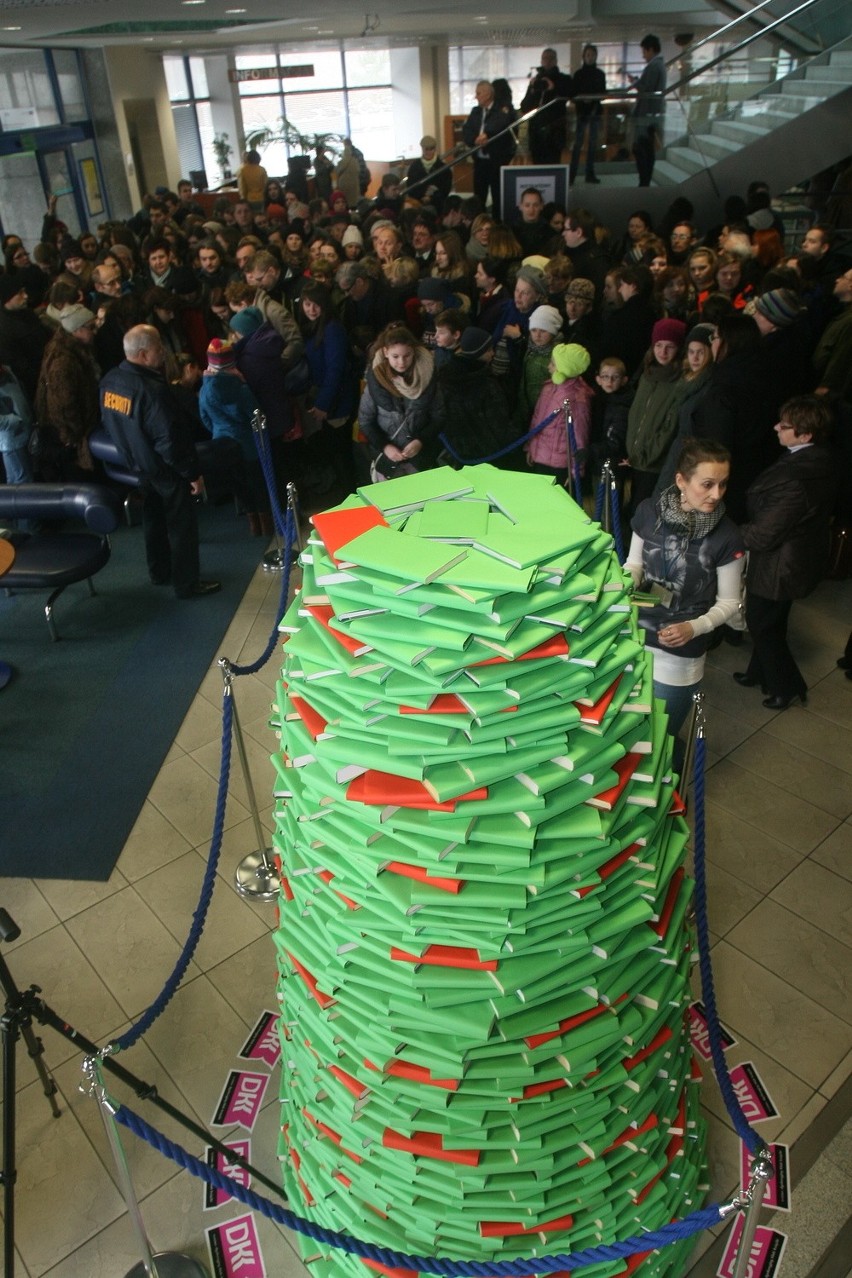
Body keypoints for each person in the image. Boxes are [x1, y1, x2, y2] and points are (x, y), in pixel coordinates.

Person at [626, 437, 745, 764]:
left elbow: (730, 603)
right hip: (633, 637)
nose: (716, 494)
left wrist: (694, 628)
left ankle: (668, 800)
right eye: (707, 484)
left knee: (661, 738)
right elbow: (634, 564)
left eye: (723, 484)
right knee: (627, 729)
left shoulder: (727, 535)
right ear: (681, 480)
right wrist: (627, 582)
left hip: (679, 657)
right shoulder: (649, 511)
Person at [100, 324, 220, 598]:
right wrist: (191, 473)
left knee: (153, 521)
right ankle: (187, 584)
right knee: (181, 527)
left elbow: (110, 424)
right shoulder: (152, 390)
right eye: (158, 348)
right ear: (143, 354)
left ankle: (159, 571)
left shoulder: (110, 381)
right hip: (166, 469)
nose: (164, 352)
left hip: (138, 465)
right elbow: (169, 439)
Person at [734, 397, 838, 710]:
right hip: (797, 555)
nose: (776, 427)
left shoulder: (797, 479)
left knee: (761, 623)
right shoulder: (817, 460)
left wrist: (728, 535)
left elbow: (765, 533)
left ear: (805, 436)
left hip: (780, 563)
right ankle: (758, 672)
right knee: (772, 620)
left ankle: (787, 684)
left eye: (785, 425)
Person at [358, 324, 438, 482]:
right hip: (387, 462)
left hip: (421, 460)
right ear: (386, 353)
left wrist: (420, 441)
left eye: (407, 355)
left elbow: (439, 416)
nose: (401, 362)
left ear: (414, 352)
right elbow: (365, 421)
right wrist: (385, 446)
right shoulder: (375, 381)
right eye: (395, 356)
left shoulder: (428, 378)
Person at [35, 305, 101, 481]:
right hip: (68, 438)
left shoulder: (70, 349)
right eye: (92, 327)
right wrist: (73, 435)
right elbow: (64, 404)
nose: (95, 331)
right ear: (77, 330)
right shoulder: (63, 361)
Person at [525, 342, 593, 488]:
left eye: (553, 364)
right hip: (540, 457)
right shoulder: (549, 388)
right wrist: (531, 447)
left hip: (560, 464)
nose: (549, 366)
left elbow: (580, 436)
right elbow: (537, 420)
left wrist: (576, 469)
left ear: (565, 369)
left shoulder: (578, 398)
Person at [461, 80, 516, 218]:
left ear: (488, 94)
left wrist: (487, 135)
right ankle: (479, 225)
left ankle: (497, 227)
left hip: (497, 161)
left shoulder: (503, 108)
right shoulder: (475, 111)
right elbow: (466, 130)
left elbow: (501, 124)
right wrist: (475, 139)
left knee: (498, 197)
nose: (476, 97)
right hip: (480, 161)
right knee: (479, 197)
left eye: (478, 93)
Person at [521, 48, 572, 164]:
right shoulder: (537, 81)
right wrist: (533, 90)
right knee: (537, 165)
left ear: (556, 61)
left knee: (554, 164)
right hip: (536, 132)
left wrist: (553, 89)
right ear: (541, 61)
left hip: (555, 131)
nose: (548, 61)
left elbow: (569, 95)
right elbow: (524, 106)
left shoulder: (564, 79)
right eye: (545, 58)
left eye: (551, 58)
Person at [631, 34, 667, 187]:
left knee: (642, 150)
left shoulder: (653, 66)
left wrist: (635, 83)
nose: (643, 55)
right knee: (646, 149)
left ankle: (644, 181)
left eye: (644, 51)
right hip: (652, 114)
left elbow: (647, 89)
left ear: (650, 49)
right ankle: (644, 181)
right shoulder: (660, 66)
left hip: (646, 115)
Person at [570, 45, 606, 185]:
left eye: (592, 55)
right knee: (578, 144)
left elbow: (603, 93)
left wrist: (593, 98)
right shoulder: (579, 74)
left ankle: (589, 174)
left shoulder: (600, 74)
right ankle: (572, 174)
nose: (590, 57)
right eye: (588, 55)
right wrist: (583, 99)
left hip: (594, 112)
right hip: (583, 113)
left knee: (592, 145)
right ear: (584, 57)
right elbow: (573, 94)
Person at [406, 136, 452, 212]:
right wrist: (422, 197)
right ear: (422, 149)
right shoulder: (414, 166)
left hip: (438, 205)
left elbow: (445, 189)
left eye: (431, 149)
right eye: (426, 149)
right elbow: (410, 186)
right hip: (417, 204)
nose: (428, 152)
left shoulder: (444, 168)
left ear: (435, 149)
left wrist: (431, 198)